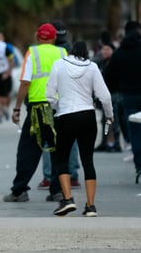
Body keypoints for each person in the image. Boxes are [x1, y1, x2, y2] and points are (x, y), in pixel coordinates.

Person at [46, 41, 113, 216]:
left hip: (65, 116)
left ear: (70, 52)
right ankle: (90, 206)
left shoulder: (59, 64)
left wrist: (58, 107)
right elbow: (105, 96)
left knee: (61, 158)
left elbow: (49, 94)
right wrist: (109, 114)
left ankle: (67, 199)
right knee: (87, 160)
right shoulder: (92, 67)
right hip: (87, 116)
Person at [3, 23, 66, 202]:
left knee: (27, 151)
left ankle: (19, 191)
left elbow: (25, 82)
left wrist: (16, 108)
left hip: (37, 110)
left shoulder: (33, 53)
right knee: (58, 150)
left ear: (38, 37)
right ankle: (57, 191)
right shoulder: (62, 53)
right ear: (54, 38)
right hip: (58, 109)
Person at [38, 20, 82, 191]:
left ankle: (49, 177)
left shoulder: (46, 51)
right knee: (72, 141)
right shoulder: (72, 50)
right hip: (71, 101)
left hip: (49, 101)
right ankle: (72, 176)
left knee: (49, 141)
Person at [104, 20, 141, 184]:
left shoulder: (119, 53)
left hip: (128, 96)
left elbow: (109, 75)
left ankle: (139, 165)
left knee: (134, 132)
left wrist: (118, 88)